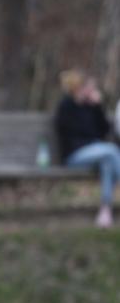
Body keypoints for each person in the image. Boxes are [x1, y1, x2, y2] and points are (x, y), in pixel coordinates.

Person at [54, 70, 120, 227]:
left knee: (108, 162)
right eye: (88, 87)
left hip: (96, 154)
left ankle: (105, 210)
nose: (91, 90)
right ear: (77, 88)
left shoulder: (91, 108)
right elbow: (66, 134)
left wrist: (98, 107)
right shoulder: (66, 107)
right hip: (74, 156)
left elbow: (104, 130)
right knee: (110, 150)